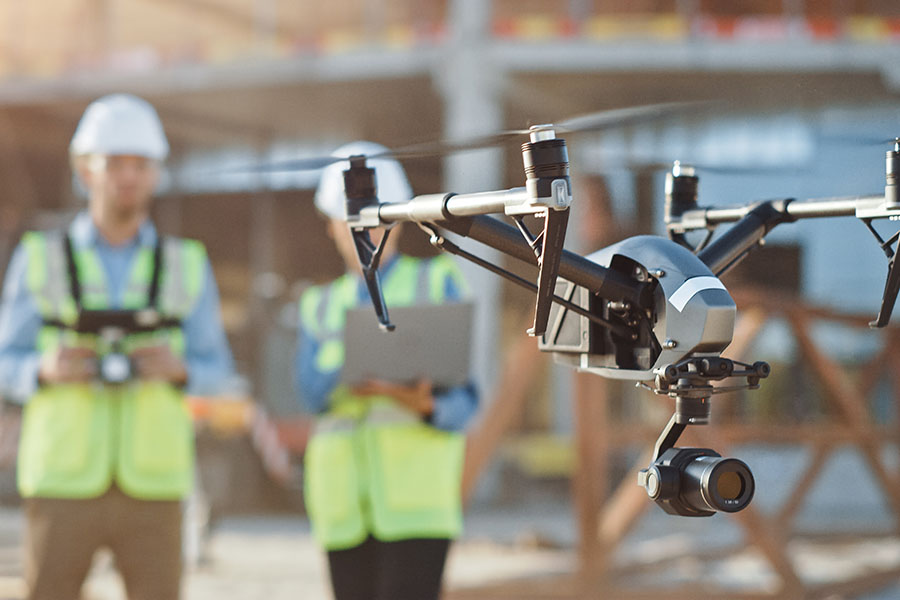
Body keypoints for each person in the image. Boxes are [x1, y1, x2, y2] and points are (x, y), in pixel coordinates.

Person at [0, 93, 234, 600]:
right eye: (116, 163)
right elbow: (3, 359)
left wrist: (180, 371)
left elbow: (219, 368)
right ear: (86, 170)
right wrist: (42, 368)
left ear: (155, 172)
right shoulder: (39, 257)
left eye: (141, 164)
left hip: (154, 484)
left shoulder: (187, 263)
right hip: (62, 482)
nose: (129, 176)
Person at [294, 141, 479, 600]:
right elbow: (308, 394)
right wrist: (351, 365)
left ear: (397, 222)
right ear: (331, 226)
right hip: (343, 510)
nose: (364, 231)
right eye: (352, 220)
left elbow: (465, 402)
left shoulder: (436, 283)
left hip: (417, 508)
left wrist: (425, 404)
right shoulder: (317, 305)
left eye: (377, 220)